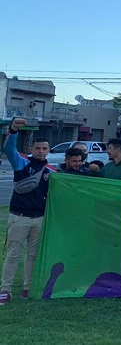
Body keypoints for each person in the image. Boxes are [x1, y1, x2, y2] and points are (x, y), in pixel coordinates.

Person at [1, 118, 53, 305]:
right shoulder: (21, 164)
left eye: (44, 149)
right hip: (19, 218)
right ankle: (5, 290)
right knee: (13, 254)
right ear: (32, 149)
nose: (41, 151)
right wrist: (13, 129)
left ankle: (27, 288)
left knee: (33, 256)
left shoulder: (52, 171)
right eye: (37, 148)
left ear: (49, 150)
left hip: (39, 219)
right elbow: (8, 150)